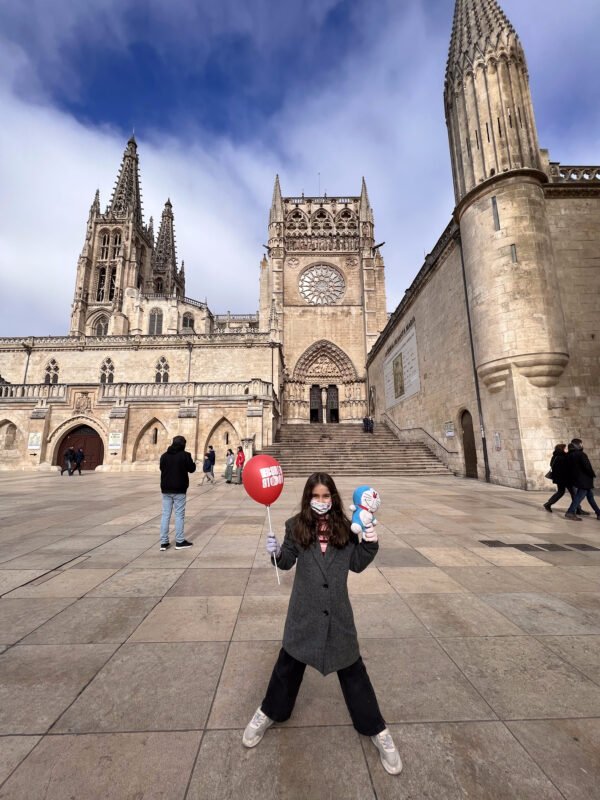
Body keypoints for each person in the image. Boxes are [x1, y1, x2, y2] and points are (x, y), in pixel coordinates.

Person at [242, 472, 402, 776]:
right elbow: (287, 560)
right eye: (315, 496)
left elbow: (356, 564)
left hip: (338, 612)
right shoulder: (295, 526)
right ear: (308, 498)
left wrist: (370, 541)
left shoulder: (346, 527)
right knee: (287, 667)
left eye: (325, 496)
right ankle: (268, 712)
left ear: (333, 498)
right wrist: (276, 553)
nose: (320, 501)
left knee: (354, 673)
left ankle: (377, 729)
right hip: (304, 611)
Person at [159, 435, 196, 550]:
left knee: (165, 515)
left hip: (166, 489)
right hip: (179, 489)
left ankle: (164, 542)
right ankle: (179, 541)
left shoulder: (164, 456)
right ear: (183, 444)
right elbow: (192, 469)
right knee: (179, 515)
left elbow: (162, 468)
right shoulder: (185, 456)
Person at [564, 438, 600, 521]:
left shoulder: (570, 455)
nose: (582, 445)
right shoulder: (581, 454)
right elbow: (587, 467)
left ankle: (598, 513)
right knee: (579, 497)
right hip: (584, 479)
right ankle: (570, 512)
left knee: (590, 497)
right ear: (578, 445)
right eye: (581, 444)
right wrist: (592, 474)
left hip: (578, 479)